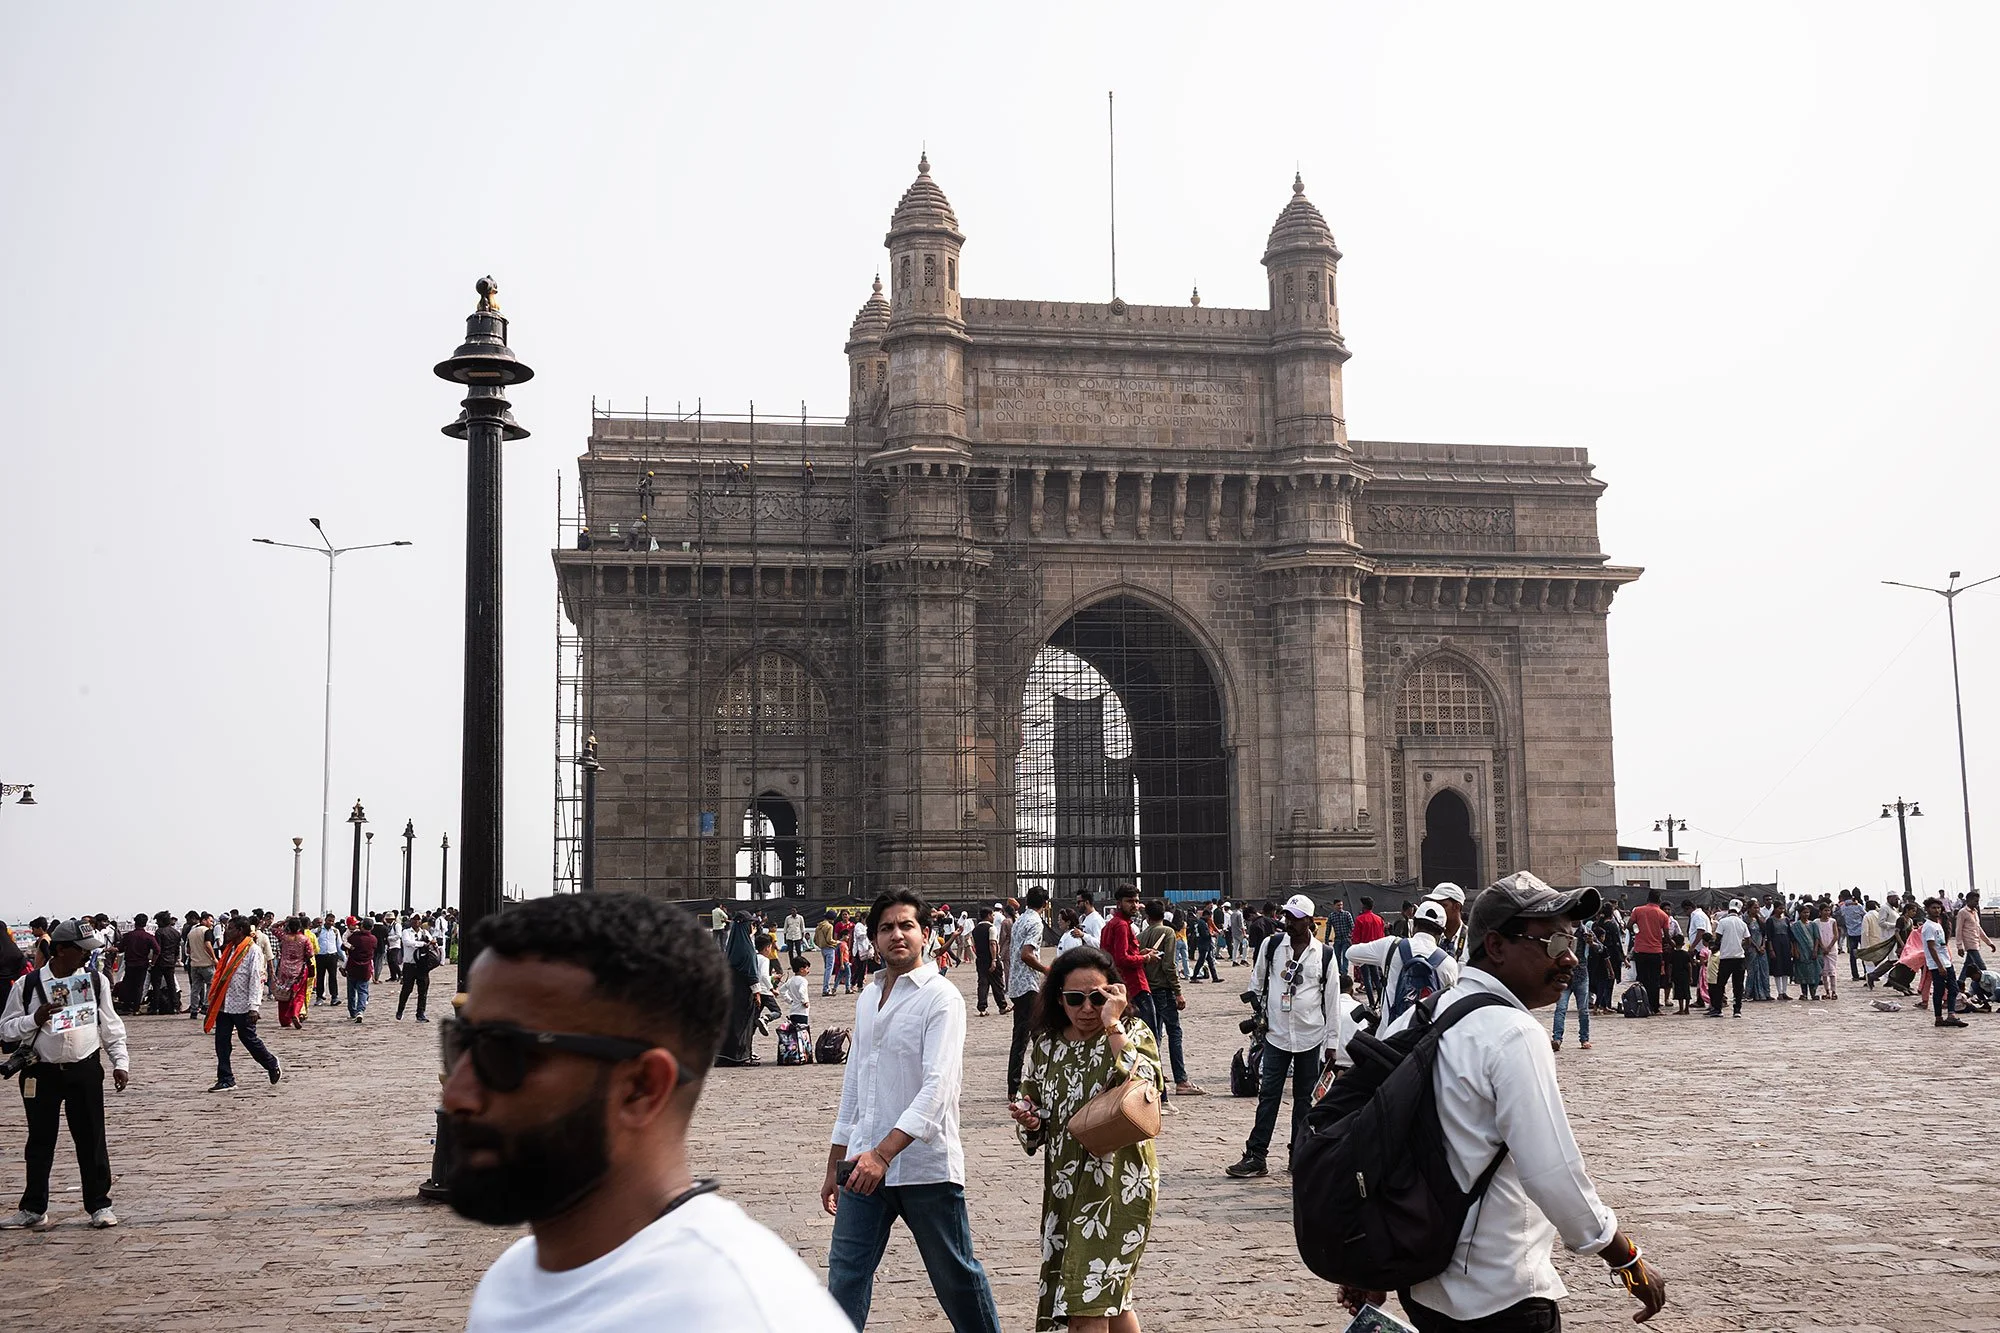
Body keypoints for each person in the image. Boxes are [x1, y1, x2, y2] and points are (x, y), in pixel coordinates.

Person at [449, 893, 852, 1332]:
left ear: (642, 1088)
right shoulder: (511, 1280)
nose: (455, 1093)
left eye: (502, 1053)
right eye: (459, 1045)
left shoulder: (740, 1315)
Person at [1334, 873, 1668, 1331]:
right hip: (1502, 1294)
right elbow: (1552, 1172)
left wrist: (1373, 1264)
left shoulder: (1421, 1015)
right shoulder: (1514, 1034)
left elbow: (1378, 1146)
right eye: (1552, 942)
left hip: (1424, 1284)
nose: (1568, 957)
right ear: (1495, 947)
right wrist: (1626, 1257)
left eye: (1569, 940)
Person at [822, 889, 1004, 1333]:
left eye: (906, 926)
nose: (897, 935)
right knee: (844, 1279)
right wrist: (835, 1162)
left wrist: (883, 1154)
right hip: (862, 1166)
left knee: (956, 1280)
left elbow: (938, 1088)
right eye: (886, 928)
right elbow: (855, 1085)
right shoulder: (867, 998)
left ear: (926, 934)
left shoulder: (942, 998)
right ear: (875, 939)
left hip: (923, 1168)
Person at [1010, 945, 1163, 1332]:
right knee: (1109, 1296)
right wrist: (1029, 1121)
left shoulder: (1131, 1032)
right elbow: (1034, 1113)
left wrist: (1114, 1026)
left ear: (1114, 993)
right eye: (1075, 999)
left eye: (1098, 997)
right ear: (1059, 999)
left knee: (1085, 1306)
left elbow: (1148, 1085)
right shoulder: (1045, 1045)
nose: (1087, 1008)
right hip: (1064, 1188)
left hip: (1118, 1186)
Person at [0, 918, 131, 1230]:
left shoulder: (96, 981)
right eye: (81, 951)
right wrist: (35, 1018)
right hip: (40, 1072)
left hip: (84, 1069)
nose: (86, 956)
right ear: (60, 950)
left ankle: (99, 1205)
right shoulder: (28, 985)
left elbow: (110, 1026)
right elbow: (6, 1029)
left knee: (92, 1139)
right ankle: (33, 1208)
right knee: (40, 1140)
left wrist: (120, 1062)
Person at [1227, 894, 1335, 1179]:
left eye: (1296, 918)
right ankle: (1256, 1155)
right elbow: (1257, 982)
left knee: (1304, 1100)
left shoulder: (1324, 954)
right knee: (1268, 1096)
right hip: (1276, 1036)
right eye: (1287, 916)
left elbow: (1332, 1000)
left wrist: (1333, 1043)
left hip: (1310, 1036)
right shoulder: (1272, 946)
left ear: (1310, 921)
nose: (1289, 922)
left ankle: (1298, 1155)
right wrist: (1263, 1017)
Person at [1345, 899, 1460, 1027]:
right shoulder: (1449, 964)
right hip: (1425, 1043)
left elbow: (1350, 953)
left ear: (1414, 923)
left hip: (1389, 1037)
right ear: (1441, 931)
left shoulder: (1391, 946)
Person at [204, 916, 281, 1091]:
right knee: (221, 1041)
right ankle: (226, 1078)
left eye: (230, 928)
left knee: (248, 1039)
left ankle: (271, 1063)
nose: (226, 931)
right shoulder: (229, 950)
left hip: (243, 1004)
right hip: (225, 1002)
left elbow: (256, 979)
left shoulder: (252, 951)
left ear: (239, 931)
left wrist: (254, 1007)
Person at [1138, 898, 1204, 1096]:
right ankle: (1181, 1080)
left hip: (1148, 990)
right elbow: (1169, 965)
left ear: (1147, 916)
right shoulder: (1167, 932)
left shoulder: (1140, 936)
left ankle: (1156, 1076)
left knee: (1154, 1035)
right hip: (1164, 990)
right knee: (1174, 1033)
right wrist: (1178, 991)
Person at [1007, 887, 1051, 1101]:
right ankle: (1039, 1081)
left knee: (1025, 1036)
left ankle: (1015, 1085)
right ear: (1045, 904)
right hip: (1028, 984)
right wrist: (1045, 969)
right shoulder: (1035, 922)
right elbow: (1027, 954)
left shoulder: (1020, 920)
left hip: (1016, 984)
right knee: (1035, 1035)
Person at [716, 914, 761, 1067]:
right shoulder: (747, 948)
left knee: (730, 1022)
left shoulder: (731, 945)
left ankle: (725, 1056)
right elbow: (751, 972)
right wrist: (757, 993)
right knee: (743, 1024)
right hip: (743, 991)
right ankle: (740, 1056)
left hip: (730, 990)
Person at [1550, 908, 1593, 1051]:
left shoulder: (1586, 931)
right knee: (1561, 1008)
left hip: (1581, 975)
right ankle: (1557, 1038)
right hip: (1564, 975)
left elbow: (1600, 948)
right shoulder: (1562, 931)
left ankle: (1584, 1039)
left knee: (1583, 1010)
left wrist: (1591, 943)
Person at [1923, 898, 1967, 1030]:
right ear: (1927, 910)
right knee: (1939, 991)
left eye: (1938, 908)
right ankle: (1939, 1018)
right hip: (1938, 965)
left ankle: (1951, 1015)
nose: (1936, 910)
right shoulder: (1928, 927)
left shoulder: (1938, 925)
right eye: (1933, 908)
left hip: (1946, 962)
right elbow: (1931, 947)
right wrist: (1940, 965)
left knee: (1953, 989)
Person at [1707, 899, 1752, 1018]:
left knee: (1720, 984)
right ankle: (1737, 1010)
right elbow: (1748, 940)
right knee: (1738, 985)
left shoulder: (1723, 922)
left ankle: (1718, 1008)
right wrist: (1740, 945)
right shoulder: (1742, 924)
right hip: (1739, 958)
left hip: (1725, 958)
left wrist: (1716, 946)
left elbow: (1718, 938)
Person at [1628, 890, 1670, 1015]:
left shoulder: (1637, 911)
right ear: (1659, 900)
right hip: (1656, 950)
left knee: (1642, 979)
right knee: (1655, 981)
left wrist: (1637, 932)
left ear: (1648, 898)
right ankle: (1654, 1007)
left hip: (1640, 950)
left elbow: (1629, 925)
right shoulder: (1663, 915)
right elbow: (1666, 935)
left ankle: (1642, 1005)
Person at [113, 914, 157, 1015]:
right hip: (142, 964)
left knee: (128, 984)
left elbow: (120, 948)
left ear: (135, 923)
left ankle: (126, 1005)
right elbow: (157, 950)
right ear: (145, 924)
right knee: (139, 986)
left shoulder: (128, 936)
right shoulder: (149, 937)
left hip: (130, 964)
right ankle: (136, 1008)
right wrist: (153, 962)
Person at [275, 917, 314, 1028]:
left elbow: (273, 928)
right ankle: (295, 1013)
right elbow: (310, 954)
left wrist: (283, 921)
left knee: (284, 995)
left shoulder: (284, 937)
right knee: (299, 994)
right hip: (299, 970)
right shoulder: (304, 939)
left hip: (284, 970)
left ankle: (284, 1020)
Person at [398, 917, 439, 1022]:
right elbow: (408, 943)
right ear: (411, 922)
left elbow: (433, 943)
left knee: (423, 991)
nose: (416, 922)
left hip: (422, 966)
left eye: (418, 920)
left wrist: (432, 943)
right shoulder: (406, 932)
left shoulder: (425, 932)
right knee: (407, 989)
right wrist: (422, 944)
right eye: (414, 920)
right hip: (410, 965)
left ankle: (420, 1014)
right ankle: (400, 1010)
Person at [1350, 897, 1386, 1007]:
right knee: (1376, 977)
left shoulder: (1360, 919)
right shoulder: (1379, 919)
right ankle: (1381, 1000)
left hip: (1363, 951)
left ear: (1364, 906)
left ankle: (1371, 1003)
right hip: (1375, 952)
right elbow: (1382, 936)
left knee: (1366, 978)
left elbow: (1356, 938)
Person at [346, 917, 378, 1021]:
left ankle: (352, 1011)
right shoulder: (373, 939)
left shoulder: (355, 937)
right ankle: (360, 1010)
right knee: (363, 990)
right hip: (365, 967)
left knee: (351, 991)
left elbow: (344, 946)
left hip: (352, 966)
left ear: (362, 926)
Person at [186, 912, 218, 1018]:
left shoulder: (191, 933)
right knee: (211, 984)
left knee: (195, 988)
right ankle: (206, 1005)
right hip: (206, 964)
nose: (212, 923)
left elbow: (188, 949)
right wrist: (214, 958)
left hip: (194, 964)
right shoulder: (207, 931)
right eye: (210, 921)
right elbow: (208, 945)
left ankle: (194, 1010)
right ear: (204, 920)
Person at [1956, 892, 1992, 977]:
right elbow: (1958, 929)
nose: (1977, 903)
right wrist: (1959, 946)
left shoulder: (1975, 912)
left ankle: (1960, 981)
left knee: (1968, 964)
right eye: (1975, 901)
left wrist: (1989, 942)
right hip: (1970, 943)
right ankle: (1987, 982)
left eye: (1978, 901)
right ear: (1968, 900)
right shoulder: (1962, 912)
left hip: (1976, 942)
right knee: (1981, 966)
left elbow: (1978, 929)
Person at [315, 913, 345, 1004]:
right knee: (320, 977)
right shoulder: (318, 930)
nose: (331, 923)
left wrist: (344, 957)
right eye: (329, 921)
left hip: (332, 956)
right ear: (325, 920)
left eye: (332, 921)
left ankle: (334, 997)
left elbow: (339, 945)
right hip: (320, 956)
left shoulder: (335, 931)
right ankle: (319, 997)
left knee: (333, 977)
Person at [817, 912, 841, 997]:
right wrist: (837, 942)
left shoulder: (819, 926)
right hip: (830, 949)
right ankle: (826, 989)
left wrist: (821, 945)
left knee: (827, 968)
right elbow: (829, 939)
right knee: (829, 969)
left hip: (823, 949)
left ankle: (826, 988)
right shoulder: (829, 926)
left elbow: (815, 939)